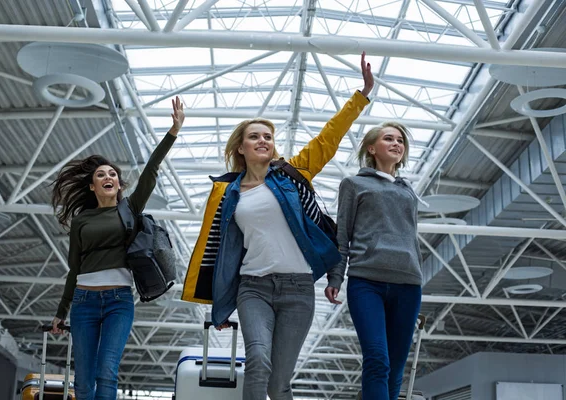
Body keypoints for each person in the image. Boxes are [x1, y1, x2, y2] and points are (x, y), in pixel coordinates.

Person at [181, 53, 374, 400]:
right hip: (253, 287)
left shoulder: (292, 174)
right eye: (254, 136)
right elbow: (219, 251)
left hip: (298, 288)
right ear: (241, 147)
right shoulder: (228, 194)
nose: (263, 141)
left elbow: (327, 140)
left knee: (279, 382)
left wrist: (360, 96)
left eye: (268, 136)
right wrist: (219, 305)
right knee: (258, 360)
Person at [50, 97, 185, 400]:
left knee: (106, 372)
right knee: (83, 381)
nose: (107, 177)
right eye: (101, 175)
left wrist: (173, 132)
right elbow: (74, 268)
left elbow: (151, 169)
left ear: (119, 185)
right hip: (84, 302)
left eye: (112, 174)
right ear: (92, 187)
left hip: (118, 302)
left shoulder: (130, 209)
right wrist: (61, 313)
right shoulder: (82, 220)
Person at [325, 121, 423, 400]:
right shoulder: (354, 184)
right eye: (388, 139)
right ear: (371, 148)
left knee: (396, 369)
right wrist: (336, 277)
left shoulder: (408, 191)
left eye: (401, 141)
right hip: (367, 282)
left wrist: (418, 274)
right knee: (377, 358)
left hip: (408, 284)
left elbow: (411, 237)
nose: (396, 144)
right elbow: (342, 235)